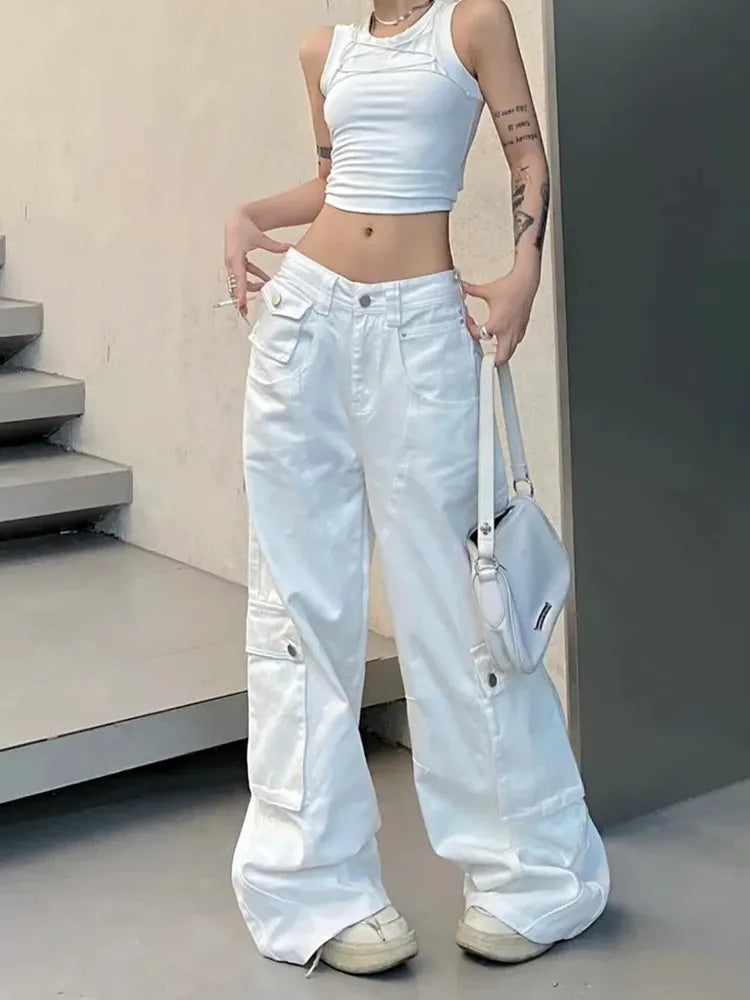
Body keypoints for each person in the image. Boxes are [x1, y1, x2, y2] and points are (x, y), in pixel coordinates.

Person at [225, 0, 609, 977]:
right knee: (299, 607)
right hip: (304, 323)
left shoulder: (472, 23)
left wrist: (523, 270)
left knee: (460, 612)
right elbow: (334, 184)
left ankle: (532, 875)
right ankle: (310, 888)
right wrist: (250, 215)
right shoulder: (326, 50)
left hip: (421, 329)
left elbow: (527, 158)